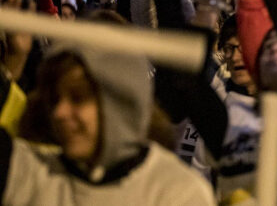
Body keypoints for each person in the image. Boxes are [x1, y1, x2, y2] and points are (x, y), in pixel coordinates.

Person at [1, 45, 215, 205]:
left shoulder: (178, 193)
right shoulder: (29, 172)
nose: (59, 112)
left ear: (119, 104)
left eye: (78, 98)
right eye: (55, 99)